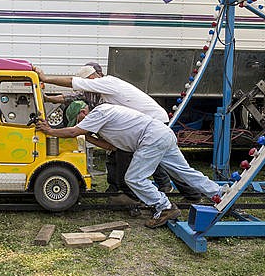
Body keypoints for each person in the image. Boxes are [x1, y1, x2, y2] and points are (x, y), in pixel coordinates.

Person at [35, 101, 225, 228]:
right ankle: (218, 194)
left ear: (83, 112)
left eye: (78, 120)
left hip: (150, 138)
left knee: (134, 178)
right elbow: (110, 146)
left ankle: (165, 207)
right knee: (184, 172)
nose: (81, 124)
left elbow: (72, 133)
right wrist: (86, 135)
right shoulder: (103, 119)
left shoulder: (99, 112)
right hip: (161, 134)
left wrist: (50, 131)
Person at [34, 64, 202, 202]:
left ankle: (140, 194)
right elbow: (71, 97)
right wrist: (48, 98)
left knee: (152, 160)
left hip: (152, 123)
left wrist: (46, 78)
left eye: (86, 84)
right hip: (144, 125)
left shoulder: (106, 82)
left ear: (92, 79)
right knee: (128, 156)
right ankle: (122, 190)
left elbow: (73, 83)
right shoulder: (101, 92)